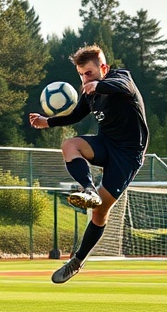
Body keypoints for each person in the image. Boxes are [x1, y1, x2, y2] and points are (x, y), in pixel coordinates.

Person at [29, 44, 149, 284]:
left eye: (89, 73)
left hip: (128, 155)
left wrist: (99, 85)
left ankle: (78, 260)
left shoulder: (120, 78)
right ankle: (89, 188)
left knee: (100, 211)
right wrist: (47, 122)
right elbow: (75, 115)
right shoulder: (89, 92)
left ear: (103, 68)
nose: (85, 79)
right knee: (69, 145)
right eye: (81, 75)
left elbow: (124, 87)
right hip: (105, 144)